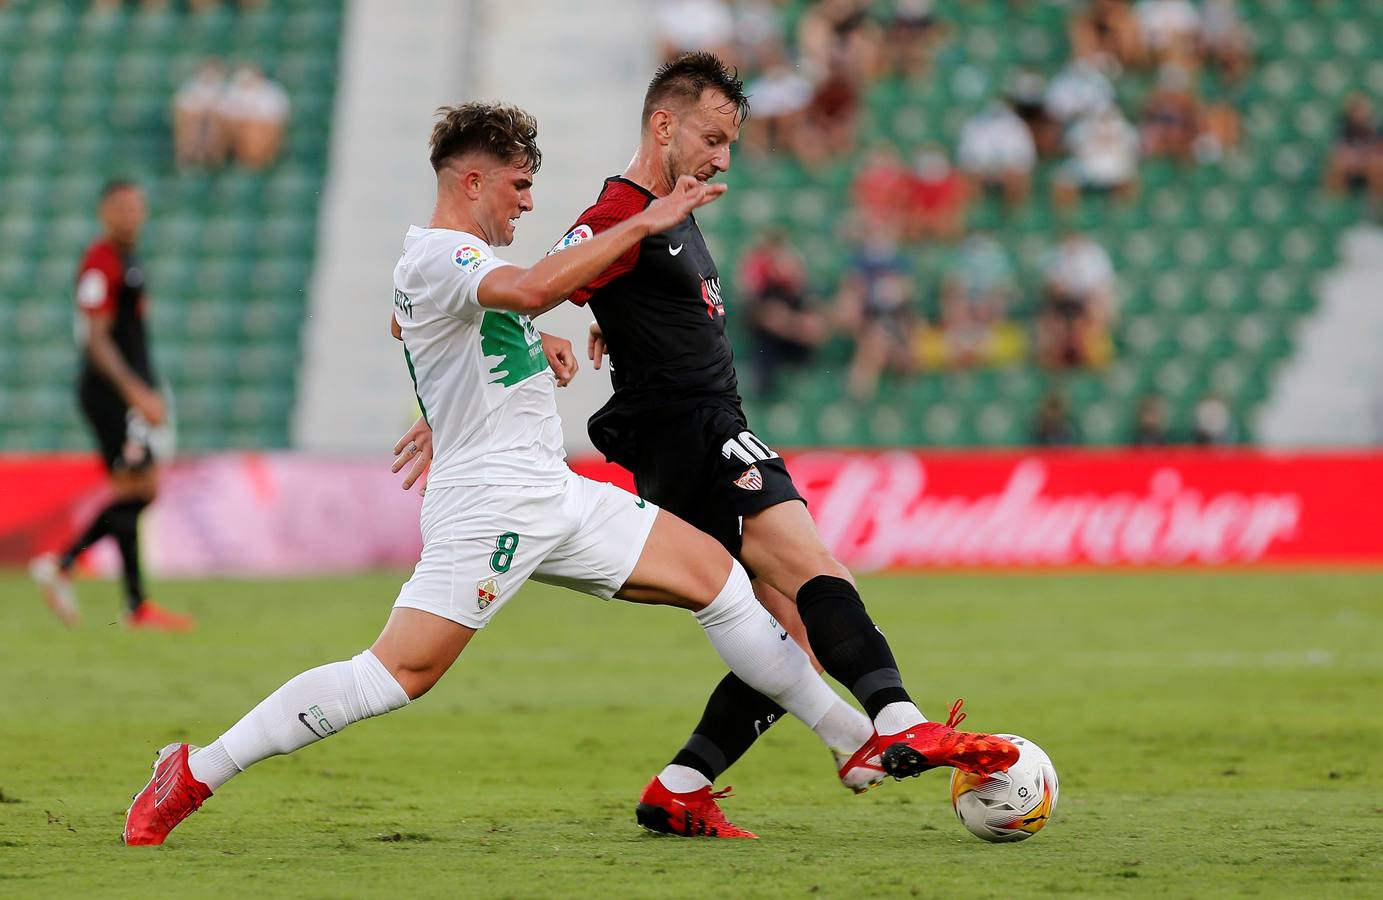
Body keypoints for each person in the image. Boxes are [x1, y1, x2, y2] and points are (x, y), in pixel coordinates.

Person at [120, 101, 926, 846]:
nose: (528, 203)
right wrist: (647, 220)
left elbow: (456, 324)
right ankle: (193, 771)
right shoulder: (443, 253)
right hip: (493, 502)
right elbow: (531, 288)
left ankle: (853, 742)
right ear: (472, 180)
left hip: (551, 488)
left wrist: (518, 358)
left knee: (719, 579)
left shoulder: (453, 264)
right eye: (518, 184)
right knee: (398, 674)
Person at [551, 52, 1017, 836]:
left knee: (788, 634)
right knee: (814, 569)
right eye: (709, 136)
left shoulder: (662, 212)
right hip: (696, 431)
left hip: (685, 433)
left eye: (730, 142)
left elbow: (616, 282)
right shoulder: (624, 208)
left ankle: (681, 785)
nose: (721, 157)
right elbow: (544, 278)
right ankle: (895, 719)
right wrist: (479, 379)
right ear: (662, 123)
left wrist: (613, 316)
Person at [29, 181, 194, 632]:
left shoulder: (128, 262)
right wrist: (136, 393)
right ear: (105, 212)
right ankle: (67, 566)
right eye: (121, 208)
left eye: (136, 207)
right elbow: (96, 339)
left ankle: (128, 601)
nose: (131, 215)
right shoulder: (100, 262)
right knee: (135, 488)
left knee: (141, 489)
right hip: (109, 394)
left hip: (125, 394)